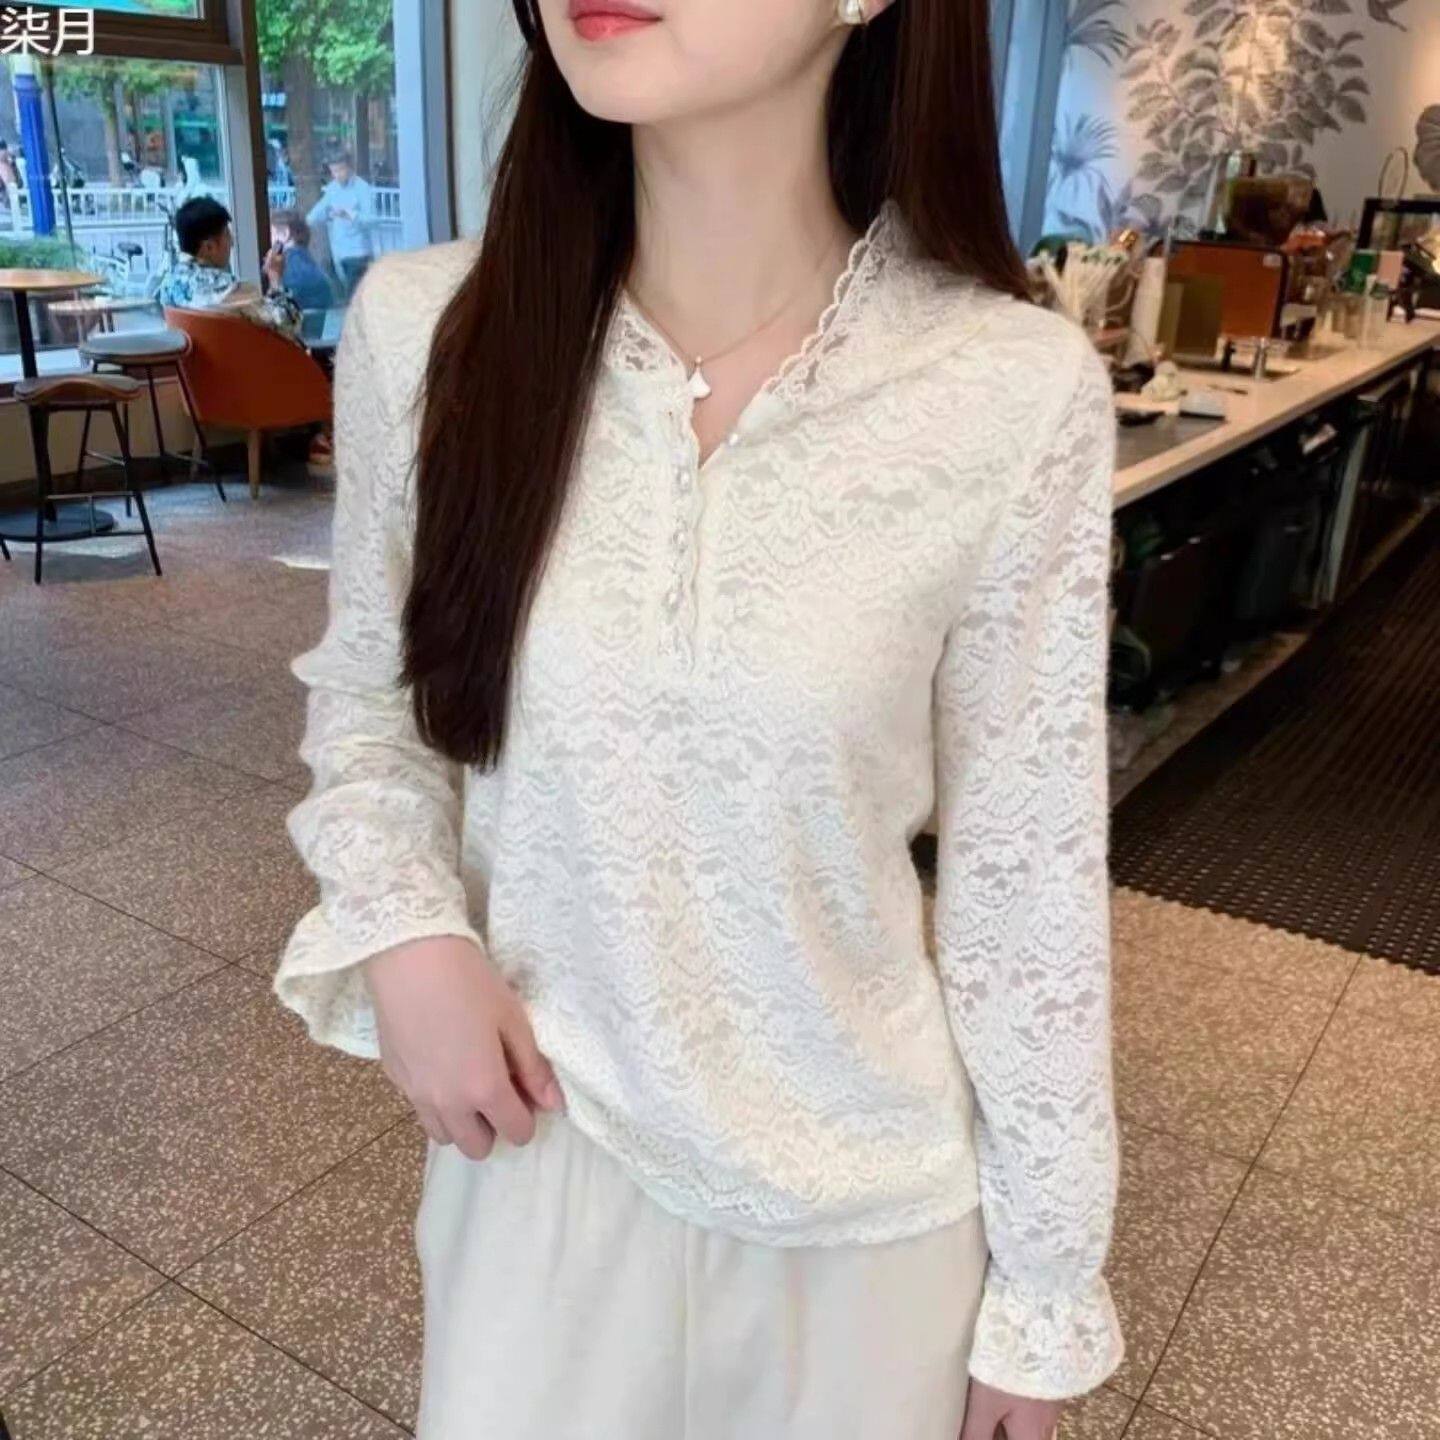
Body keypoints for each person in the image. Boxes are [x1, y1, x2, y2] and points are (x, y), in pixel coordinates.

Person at [274, 1, 1125, 1438]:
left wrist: (1042, 1297)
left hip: (868, 1230)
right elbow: (374, 697)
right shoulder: (427, 330)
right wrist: (406, 930)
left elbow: (1026, 883)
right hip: (539, 1164)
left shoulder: (1010, 391)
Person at [153, 195, 304, 344]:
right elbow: (289, 324)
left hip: (200, 360)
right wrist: (275, 277)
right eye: (227, 234)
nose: (231, 242)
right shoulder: (231, 291)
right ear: (209, 247)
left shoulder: (167, 285)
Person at [305, 150, 375, 298]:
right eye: (334, 171)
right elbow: (316, 213)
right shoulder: (332, 189)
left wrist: (350, 214)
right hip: (340, 253)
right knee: (350, 296)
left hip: (359, 252)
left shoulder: (362, 189)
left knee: (353, 296)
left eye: (341, 170)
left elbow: (371, 220)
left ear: (350, 167)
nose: (337, 175)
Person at [269, 209, 335, 312]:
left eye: (270, 234)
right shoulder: (312, 266)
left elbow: (283, 306)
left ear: (284, 234)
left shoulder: (286, 267)